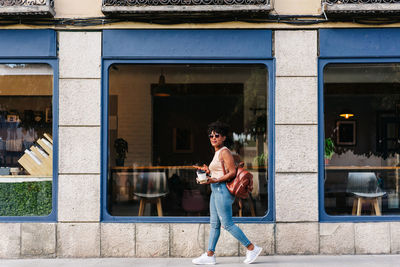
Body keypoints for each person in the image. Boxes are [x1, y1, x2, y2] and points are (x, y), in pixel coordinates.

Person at [192, 121, 262, 265]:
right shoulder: (217, 152)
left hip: (222, 190)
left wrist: (214, 179)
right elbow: (220, 171)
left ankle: (252, 248)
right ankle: (210, 255)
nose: (213, 138)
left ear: (223, 137)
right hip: (215, 190)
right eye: (211, 136)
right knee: (214, 224)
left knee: (227, 224)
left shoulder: (225, 151)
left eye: (217, 135)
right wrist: (208, 171)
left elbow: (231, 173)